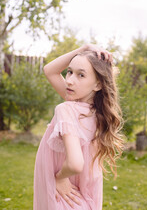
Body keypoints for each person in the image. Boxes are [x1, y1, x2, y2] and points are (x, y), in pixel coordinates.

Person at [33, 44, 124, 210]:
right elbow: (50, 70)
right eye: (69, 72)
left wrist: (60, 178)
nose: (69, 80)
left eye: (81, 75)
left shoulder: (67, 108)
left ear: (97, 85)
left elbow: (75, 164)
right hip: (84, 197)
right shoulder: (96, 112)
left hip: (64, 196)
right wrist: (85, 48)